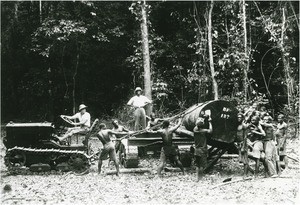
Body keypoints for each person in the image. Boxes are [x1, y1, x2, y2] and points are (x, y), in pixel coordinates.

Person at [193, 113, 212, 182]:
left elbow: (198, 124)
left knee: (197, 165)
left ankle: (197, 178)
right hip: (202, 150)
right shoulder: (203, 131)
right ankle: (200, 179)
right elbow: (210, 131)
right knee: (202, 165)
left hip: (196, 150)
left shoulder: (195, 129)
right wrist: (210, 122)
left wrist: (203, 117)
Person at [235, 113, 249, 178]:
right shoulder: (237, 125)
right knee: (241, 159)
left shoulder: (244, 126)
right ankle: (245, 173)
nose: (238, 119)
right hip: (239, 143)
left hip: (243, 143)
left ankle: (245, 174)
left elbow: (245, 137)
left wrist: (243, 146)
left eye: (240, 117)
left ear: (242, 118)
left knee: (245, 159)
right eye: (238, 117)